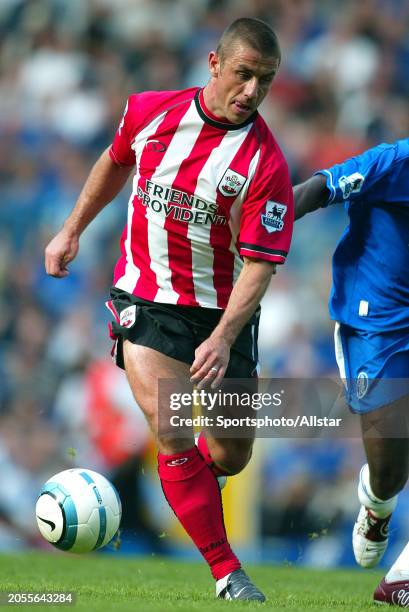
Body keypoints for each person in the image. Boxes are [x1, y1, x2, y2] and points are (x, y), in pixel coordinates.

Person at [45, 18, 293, 602]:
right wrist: (71, 229)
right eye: (243, 74)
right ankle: (227, 572)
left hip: (221, 315)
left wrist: (227, 334)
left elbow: (259, 264)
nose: (252, 91)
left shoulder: (266, 164)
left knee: (230, 455)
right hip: (146, 301)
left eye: (265, 80)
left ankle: (192, 487)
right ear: (214, 64)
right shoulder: (151, 111)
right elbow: (115, 159)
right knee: (174, 427)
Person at [294, 138, 409, 606]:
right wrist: (258, 231)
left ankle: (400, 580)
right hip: (379, 326)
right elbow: (319, 189)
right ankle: (377, 505)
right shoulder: (396, 162)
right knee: (389, 472)